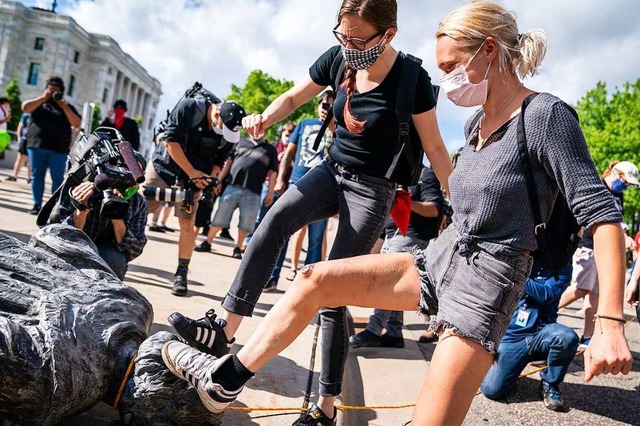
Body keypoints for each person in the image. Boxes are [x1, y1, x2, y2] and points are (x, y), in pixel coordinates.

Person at [161, 2, 633, 425]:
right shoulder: (474, 124)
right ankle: (222, 381)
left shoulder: (545, 116)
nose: (445, 79)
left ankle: (322, 402)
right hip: (437, 262)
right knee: (314, 279)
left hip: (484, 286)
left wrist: (610, 322)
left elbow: (602, 215)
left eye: (452, 67)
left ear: (489, 51)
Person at [165, 0, 451, 423]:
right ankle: (223, 329)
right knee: (275, 220)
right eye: (342, 35)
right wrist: (265, 116)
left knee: (333, 290)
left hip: (374, 189)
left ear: (388, 35)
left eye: (358, 39)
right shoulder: (339, 57)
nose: (349, 47)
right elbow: (296, 96)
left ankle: (325, 408)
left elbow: (436, 147)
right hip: (332, 169)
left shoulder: (412, 78)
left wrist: (460, 201)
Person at [144, 95, 246, 297]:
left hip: (194, 180)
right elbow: (170, 142)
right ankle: (119, 255)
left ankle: (181, 273)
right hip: (164, 170)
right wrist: (192, 172)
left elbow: (221, 159)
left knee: (187, 226)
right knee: (136, 212)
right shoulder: (189, 108)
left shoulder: (229, 130)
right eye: (223, 128)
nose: (225, 134)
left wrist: (210, 177)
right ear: (216, 113)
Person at [350, 166, 443, 349]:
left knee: (388, 282)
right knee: (397, 287)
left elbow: (433, 209)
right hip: (391, 234)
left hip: (411, 235)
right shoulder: (395, 174)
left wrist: (408, 202)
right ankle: (394, 334)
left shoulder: (425, 174)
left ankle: (374, 330)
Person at [559, 160, 639, 346]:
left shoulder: (617, 196)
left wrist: (623, 236)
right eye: (625, 182)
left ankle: (588, 336)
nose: (625, 187)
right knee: (581, 288)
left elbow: (618, 221)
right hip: (587, 245)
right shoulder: (598, 188)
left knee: (594, 293)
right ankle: (546, 313)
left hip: (600, 249)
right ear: (616, 174)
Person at [481, 265, 579, 412]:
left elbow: (546, 294)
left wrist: (516, 275)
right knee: (492, 391)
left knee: (566, 337)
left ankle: (550, 383)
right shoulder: (520, 256)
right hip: (513, 338)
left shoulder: (562, 266)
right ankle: (506, 369)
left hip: (542, 334)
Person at [57, 157, 148, 280]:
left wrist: (116, 213)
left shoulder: (138, 202)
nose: (127, 175)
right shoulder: (81, 186)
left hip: (108, 254)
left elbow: (134, 249)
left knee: (113, 258)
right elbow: (60, 235)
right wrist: (82, 208)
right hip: (76, 246)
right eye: (124, 168)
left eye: (135, 172)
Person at [279, 91, 336, 282]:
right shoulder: (304, 124)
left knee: (317, 238)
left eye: (330, 106)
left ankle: (310, 281)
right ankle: (276, 274)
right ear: (318, 105)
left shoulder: (339, 130)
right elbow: (288, 153)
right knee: (286, 229)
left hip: (324, 187)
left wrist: (333, 126)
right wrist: (281, 179)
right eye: (323, 105)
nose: (325, 109)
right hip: (298, 182)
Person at [194, 134, 278, 259]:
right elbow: (228, 163)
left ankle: (238, 247)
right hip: (232, 186)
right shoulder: (240, 142)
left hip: (254, 191)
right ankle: (208, 242)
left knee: (246, 222)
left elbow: (273, 173)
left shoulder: (270, 149)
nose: (257, 131)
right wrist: (219, 180)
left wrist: (270, 192)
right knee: (220, 216)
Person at [243, 121, 296, 291]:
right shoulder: (274, 147)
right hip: (270, 188)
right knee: (260, 222)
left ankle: (273, 276)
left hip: (291, 189)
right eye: (286, 131)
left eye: (291, 132)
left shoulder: (296, 150)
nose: (288, 134)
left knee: (283, 232)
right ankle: (250, 250)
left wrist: (290, 162)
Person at [22, 76, 81, 215]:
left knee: (58, 179)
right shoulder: (39, 103)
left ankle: (55, 208)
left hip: (59, 149)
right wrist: (43, 97)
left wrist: (63, 105)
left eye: (56, 90)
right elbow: (25, 108)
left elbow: (77, 123)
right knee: (37, 176)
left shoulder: (67, 107)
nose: (53, 92)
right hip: (37, 145)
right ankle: (37, 205)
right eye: (50, 89)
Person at [6, 112, 32, 183]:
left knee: (31, 160)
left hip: (34, 140)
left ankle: (30, 177)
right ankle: (14, 175)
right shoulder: (26, 115)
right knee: (20, 158)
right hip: (25, 139)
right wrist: (19, 138)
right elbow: (20, 127)